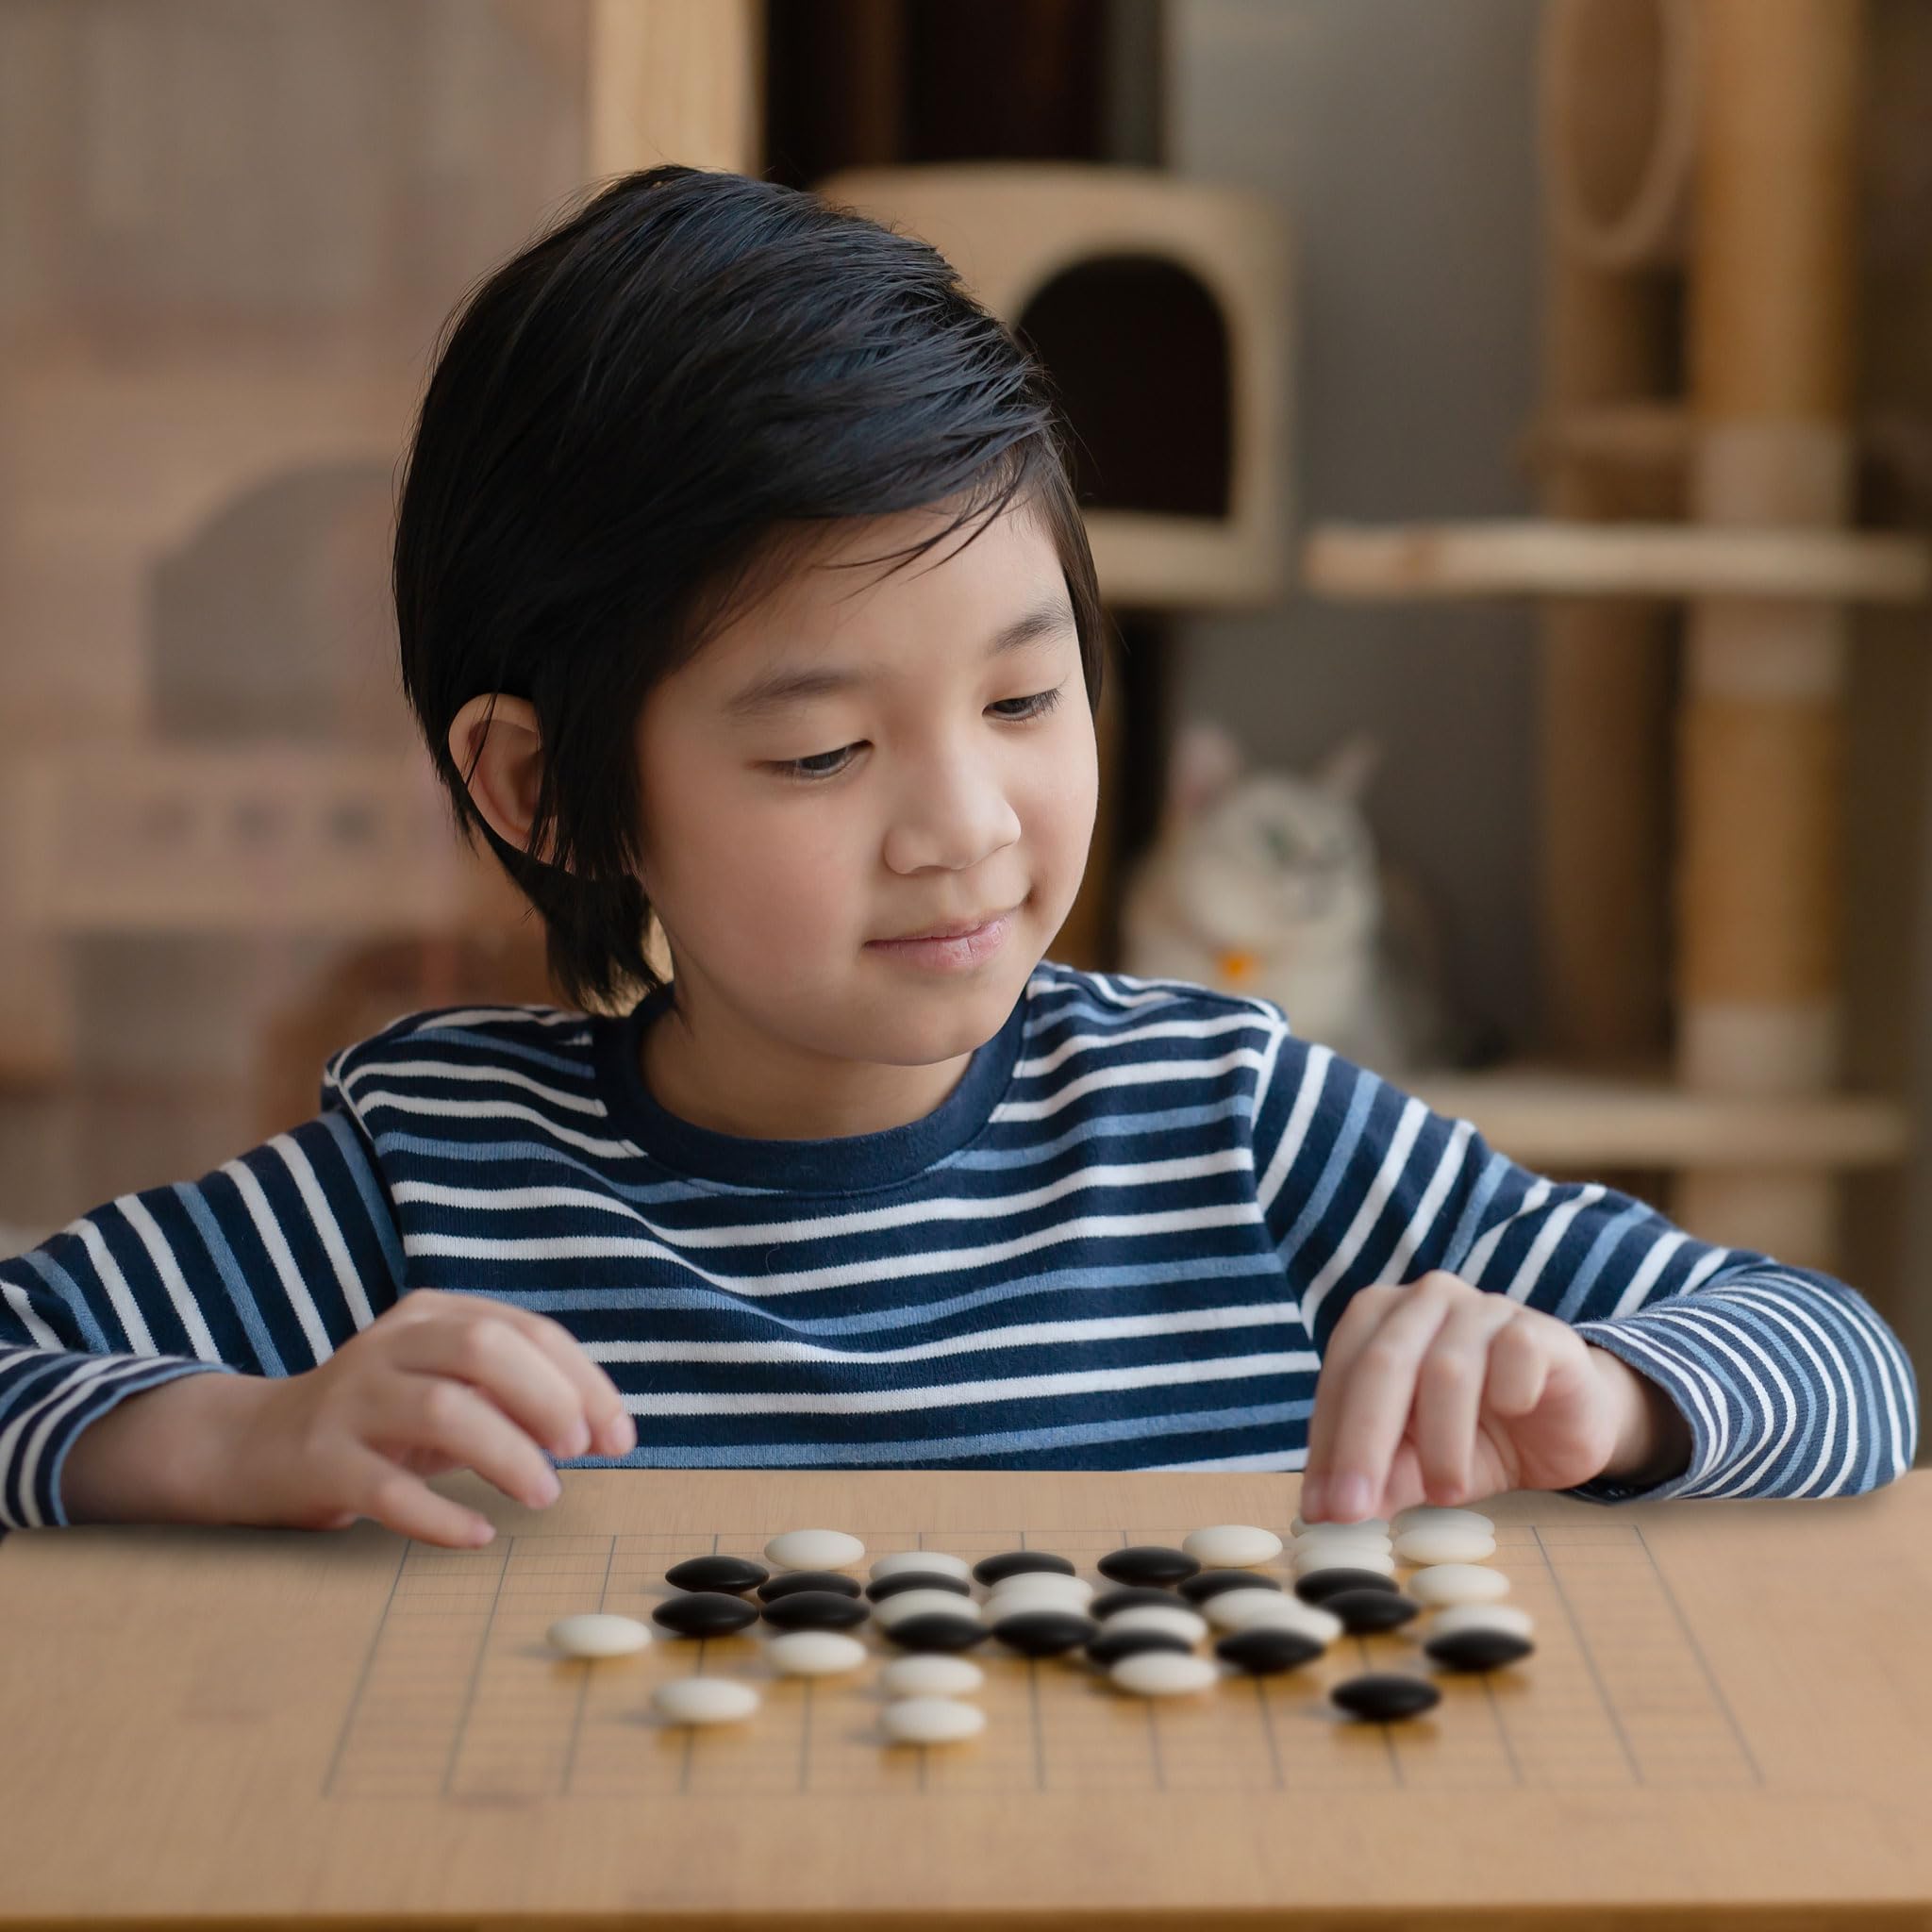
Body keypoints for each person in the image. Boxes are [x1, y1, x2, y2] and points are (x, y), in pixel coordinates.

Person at [0, 168, 1916, 1548]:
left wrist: (1612, 1396)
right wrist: (236, 1437)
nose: (971, 827)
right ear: (543, 791)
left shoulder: (1228, 1121)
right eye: (823, 750)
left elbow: (1844, 1361)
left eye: (1024, 698)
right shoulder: (439, 1175)